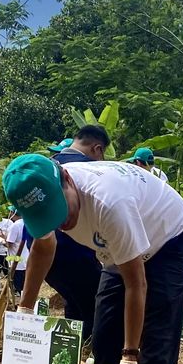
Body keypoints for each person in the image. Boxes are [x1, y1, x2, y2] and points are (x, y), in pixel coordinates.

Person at [4, 155, 183, 364]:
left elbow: (137, 284)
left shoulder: (109, 202)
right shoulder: (41, 193)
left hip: (167, 239)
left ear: (66, 179)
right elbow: (43, 245)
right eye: (47, 217)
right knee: (105, 339)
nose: (61, 221)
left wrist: (131, 359)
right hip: (116, 251)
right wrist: (25, 309)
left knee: (156, 338)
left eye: (59, 208)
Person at [44, 125, 107, 339]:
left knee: (74, 303)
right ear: (97, 149)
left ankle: (71, 356)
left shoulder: (48, 165)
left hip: (47, 255)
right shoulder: (92, 171)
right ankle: (90, 358)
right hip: (76, 251)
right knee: (96, 307)